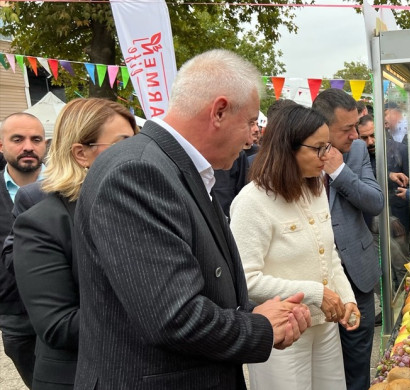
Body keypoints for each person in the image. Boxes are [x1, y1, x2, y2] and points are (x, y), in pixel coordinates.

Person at [72, 49, 311, 389]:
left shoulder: (171, 166)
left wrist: (261, 318)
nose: (250, 139)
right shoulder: (138, 172)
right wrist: (261, 328)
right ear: (219, 111)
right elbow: (173, 316)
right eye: (249, 122)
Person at [230, 104, 359, 390]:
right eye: (318, 149)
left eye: (327, 146)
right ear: (287, 148)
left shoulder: (314, 187)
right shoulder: (253, 202)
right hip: (281, 333)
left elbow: (329, 254)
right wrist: (316, 293)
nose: (327, 156)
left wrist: (346, 297)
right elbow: (245, 279)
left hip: (323, 324)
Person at [13, 98, 137, 389]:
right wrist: (158, 313)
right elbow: (58, 325)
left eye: (137, 143)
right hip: (79, 378)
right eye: (123, 145)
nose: (138, 154)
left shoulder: (136, 209)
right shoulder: (41, 223)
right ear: (81, 153)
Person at [312, 89, 384, 390]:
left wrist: (339, 171)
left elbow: (374, 201)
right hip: (316, 282)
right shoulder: (296, 154)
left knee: (357, 365)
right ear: (322, 125)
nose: (356, 135)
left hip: (356, 274)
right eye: (347, 129)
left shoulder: (354, 152)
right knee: (321, 367)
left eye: (357, 126)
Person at [0, 112, 46, 387]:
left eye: (36, 139)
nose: (28, 146)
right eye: (17, 139)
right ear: (2, 145)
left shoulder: (70, 186)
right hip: (15, 315)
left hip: (70, 311)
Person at [357, 114, 410, 289]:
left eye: (373, 135)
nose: (370, 142)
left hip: (400, 221)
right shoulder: (357, 155)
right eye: (364, 138)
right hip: (371, 224)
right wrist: (387, 176)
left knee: (404, 265)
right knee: (380, 269)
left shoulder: (400, 150)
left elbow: (408, 187)